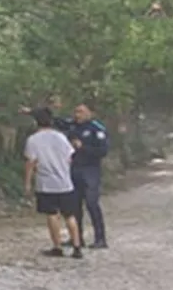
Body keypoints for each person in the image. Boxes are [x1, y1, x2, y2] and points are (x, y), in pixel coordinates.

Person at [24, 107, 84, 259]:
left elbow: (31, 162)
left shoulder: (33, 140)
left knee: (52, 214)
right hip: (65, 182)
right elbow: (70, 156)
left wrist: (27, 182)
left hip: (46, 183)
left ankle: (57, 247)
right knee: (70, 215)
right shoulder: (61, 137)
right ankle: (77, 246)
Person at [67, 102, 109, 248]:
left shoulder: (97, 129)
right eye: (76, 112)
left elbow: (103, 151)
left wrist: (83, 147)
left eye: (81, 112)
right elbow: (53, 120)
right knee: (74, 205)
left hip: (90, 170)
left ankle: (100, 238)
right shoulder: (72, 126)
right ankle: (77, 238)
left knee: (92, 203)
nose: (77, 115)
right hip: (74, 169)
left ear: (90, 113)